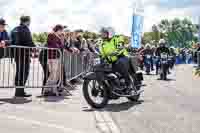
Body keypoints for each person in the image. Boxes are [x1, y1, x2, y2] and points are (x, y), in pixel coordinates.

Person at [98, 27, 132, 92]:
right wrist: (101, 58)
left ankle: (128, 85)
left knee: (120, 63)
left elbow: (120, 47)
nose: (102, 35)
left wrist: (115, 53)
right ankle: (106, 88)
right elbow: (102, 53)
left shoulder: (117, 38)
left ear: (109, 33)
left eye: (104, 33)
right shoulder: (102, 43)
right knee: (102, 69)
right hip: (111, 61)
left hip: (122, 57)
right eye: (101, 34)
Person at [11, 16, 35, 97]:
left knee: (19, 72)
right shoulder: (25, 29)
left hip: (17, 54)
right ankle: (20, 92)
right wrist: (35, 48)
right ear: (27, 21)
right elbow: (29, 41)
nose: (30, 23)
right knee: (24, 72)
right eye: (29, 21)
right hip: (24, 54)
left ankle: (19, 91)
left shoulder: (15, 28)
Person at [44, 24, 65, 96]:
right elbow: (54, 45)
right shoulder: (51, 34)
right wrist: (60, 45)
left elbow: (61, 46)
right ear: (58, 29)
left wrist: (60, 44)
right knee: (53, 74)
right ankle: (47, 90)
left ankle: (52, 89)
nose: (62, 32)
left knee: (56, 74)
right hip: (52, 57)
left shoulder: (57, 36)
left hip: (56, 57)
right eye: (61, 30)